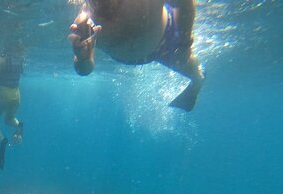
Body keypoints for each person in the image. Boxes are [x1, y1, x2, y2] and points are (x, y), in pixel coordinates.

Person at [69, 0, 204, 111]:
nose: (99, 5)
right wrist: (83, 58)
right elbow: (84, 70)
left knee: (195, 74)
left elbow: (185, 3)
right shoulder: (85, 24)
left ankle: (196, 86)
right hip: (131, 55)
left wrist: (183, 45)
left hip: (165, 42)